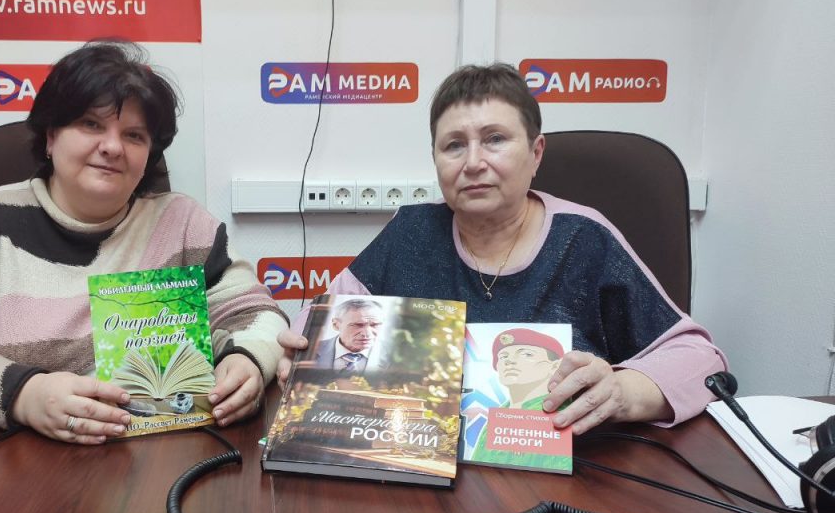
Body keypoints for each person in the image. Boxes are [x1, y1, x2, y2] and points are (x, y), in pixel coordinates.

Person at [279, 63, 727, 435]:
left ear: (536, 153)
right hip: (423, 468)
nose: (474, 163)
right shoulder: (411, 231)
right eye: (454, 145)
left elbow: (700, 359)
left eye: (495, 139)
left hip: (572, 476)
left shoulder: (584, 238)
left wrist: (623, 392)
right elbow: (320, 319)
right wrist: (299, 349)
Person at [0, 40, 286, 444]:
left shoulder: (181, 222)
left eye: (134, 135)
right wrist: (26, 394)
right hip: (13, 455)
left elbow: (256, 315)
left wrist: (247, 360)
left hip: (159, 453)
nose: (112, 147)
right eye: (91, 125)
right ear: (50, 136)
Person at [311, 298, 385, 371]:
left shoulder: (388, 356)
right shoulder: (312, 350)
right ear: (336, 325)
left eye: (375, 325)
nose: (367, 333)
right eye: (358, 325)